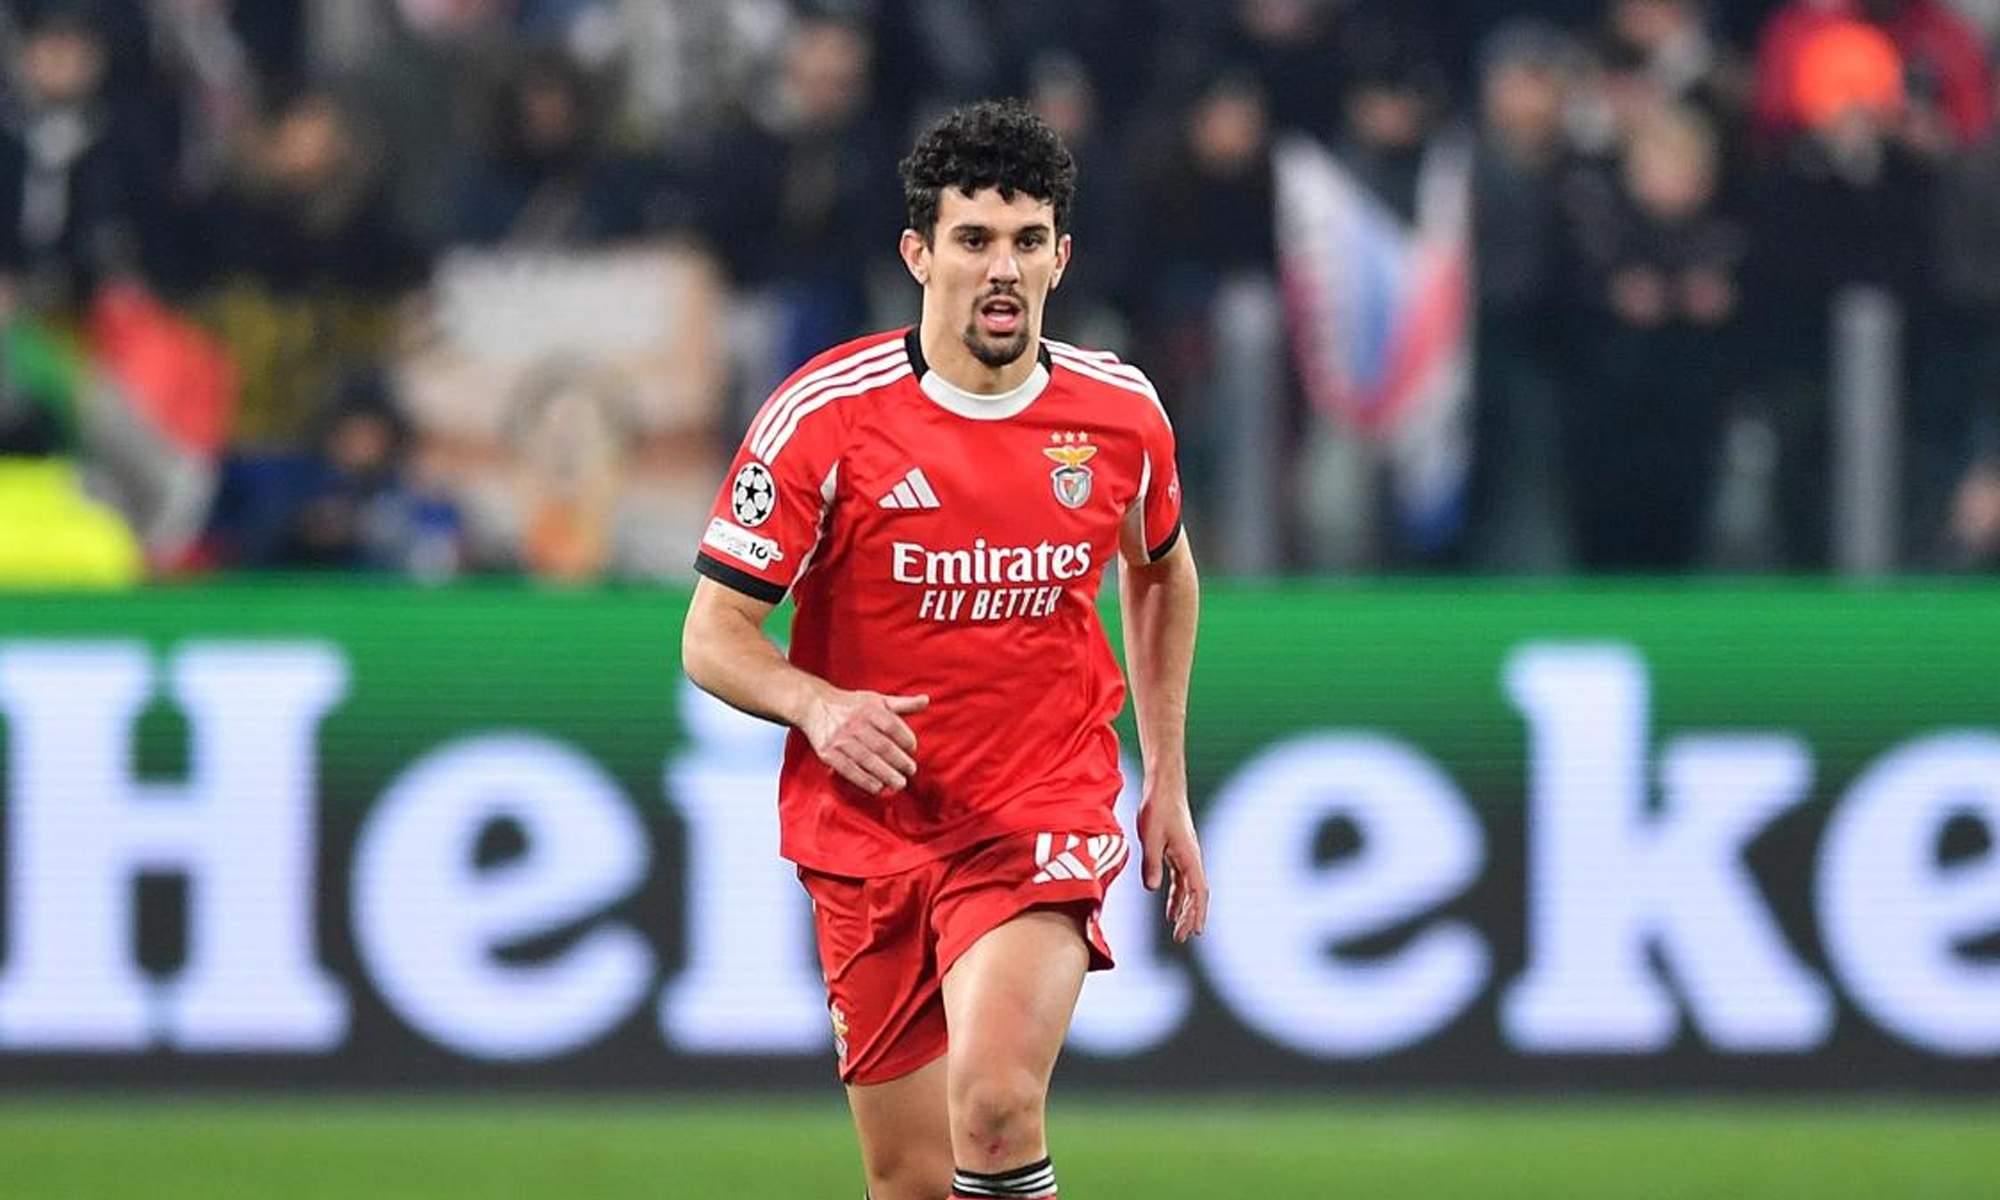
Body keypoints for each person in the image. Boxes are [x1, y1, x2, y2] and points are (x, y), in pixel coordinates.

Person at [680, 99, 1207, 1200]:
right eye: (973, 240)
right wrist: (817, 705)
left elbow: (1158, 569)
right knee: (912, 1179)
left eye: (1025, 241)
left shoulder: (1118, 415)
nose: (1000, 268)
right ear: (919, 253)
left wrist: (1164, 776)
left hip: (1037, 800)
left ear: (1060, 256)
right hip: (869, 826)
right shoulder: (825, 419)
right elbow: (713, 637)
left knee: (997, 1102)